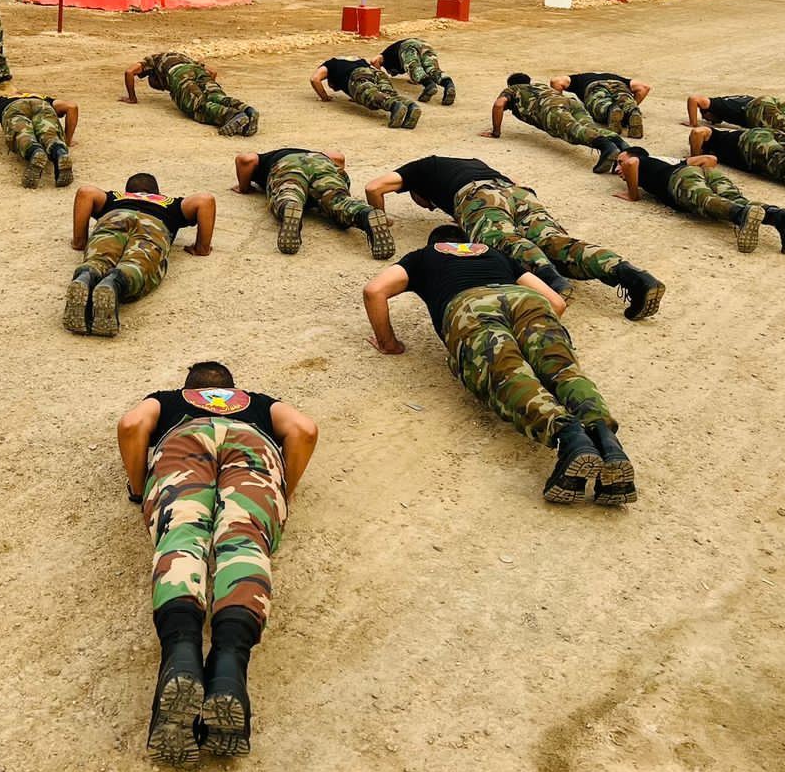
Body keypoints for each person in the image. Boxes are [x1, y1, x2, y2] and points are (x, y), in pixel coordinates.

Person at [117, 361, 319, 763]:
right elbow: (305, 430)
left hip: (183, 444)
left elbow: (130, 426)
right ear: (232, 389)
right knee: (244, 544)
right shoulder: (260, 403)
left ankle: (181, 655)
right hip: (253, 447)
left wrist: (139, 489)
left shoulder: (168, 400)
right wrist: (282, 492)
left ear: (189, 388)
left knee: (182, 539)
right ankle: (229, 665)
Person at [363, 226, 636, 506]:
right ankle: (607, 441)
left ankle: (569, 438)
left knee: (506, 375)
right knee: (565, 371)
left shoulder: (422, 257)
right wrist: (531, 341)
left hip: (471, 306)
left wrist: (389, 343)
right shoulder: (496, 254)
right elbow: (556, 302)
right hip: (527, 301)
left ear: (436, 243)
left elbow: (374, 291)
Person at [364, 154, 664, 320]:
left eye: (423, 203)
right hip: (518, 193)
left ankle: (550, 280)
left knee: (499, 242)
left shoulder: (421, 168)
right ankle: (632, 275)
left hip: (476, 195)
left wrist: (381, 218)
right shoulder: (474, 161)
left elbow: (374, 187)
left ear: (417, 190)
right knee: (555, 242)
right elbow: (519, 185)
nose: (429, 208)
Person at [65, 174, 216, 336]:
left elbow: (85, 192)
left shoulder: (116, 197)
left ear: (128, 191)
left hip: (115, 217)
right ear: (157, 193)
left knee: (99, 258)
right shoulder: (170, 203)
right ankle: (115, 282)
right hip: (153, 225)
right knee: (137, 264)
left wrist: (79, 241)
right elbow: (205, 200)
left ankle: (87, 274)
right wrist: (202, 247)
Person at [614, 146, 785, 253]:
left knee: (704, 199)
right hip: (704, 172)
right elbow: (709, 159)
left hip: (679, 179)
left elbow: (632, 163)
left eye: (619, 162)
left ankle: (740, 216)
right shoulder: (665, 161)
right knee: (737, 199)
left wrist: (633, 195)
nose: (617, 169)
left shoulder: (641, 161)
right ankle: (779, 216)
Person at [234, 147, 393, 259]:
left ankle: (291, 206)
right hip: (321, 162)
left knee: (288, 194)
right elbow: (337, 157)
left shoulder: (266, 158)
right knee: (339, 201)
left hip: (286, 164)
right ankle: (365, 213)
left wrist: (244, 188)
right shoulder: (314, 153)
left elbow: (246, 159)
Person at [484, 74, 626, 172]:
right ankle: (621, 145)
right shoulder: (540, 86)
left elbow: (498, 105)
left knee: (573, 131)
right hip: (570, 102)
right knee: (589, 127)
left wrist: (496, 132)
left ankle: (606, 147)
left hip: (549, 108)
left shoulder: (512, 89)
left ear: (510, 84)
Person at [121, 50, 258, 136]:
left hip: (178, 75)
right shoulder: (180, 56)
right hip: (198, 70)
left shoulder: (151, 60)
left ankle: (230, 114)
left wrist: (132, 98)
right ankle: (247, 110)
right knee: (217, 96)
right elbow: (212, 72)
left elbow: (129, 72)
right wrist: (206, 92)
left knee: (197, 107)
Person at [0, 91, 78, 188]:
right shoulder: (46, 99)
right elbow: (72, 107)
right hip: (42, 106)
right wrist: (67, 140)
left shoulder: (1, 100)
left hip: (14, 108)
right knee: (49, 134)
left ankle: (35, 151)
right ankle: (59, 152)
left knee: (23, 135)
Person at [308, 54, 421, 129]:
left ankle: (394, 105)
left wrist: (325, 97)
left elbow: (315, 79)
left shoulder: (330, 64)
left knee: (371, 96)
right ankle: (410, 105)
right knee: (389, 94)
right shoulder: (356, 59)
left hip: (357, 75)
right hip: (376, 72)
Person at [548, 71, 650, 138]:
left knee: (600, 106)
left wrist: (560, 101)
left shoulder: (579, 78)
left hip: (595, 88)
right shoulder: (617, 77)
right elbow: (644, 87)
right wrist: (635, 103)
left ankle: (610, 110)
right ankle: (632, 111)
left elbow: (556, 81)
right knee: (626, 100)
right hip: (619, 85)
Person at [372, 37, 455, 105]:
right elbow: (415, 71)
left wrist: (379, 78)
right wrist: (414, 79)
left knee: (414, 68)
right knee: (433, 70)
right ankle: (448, 84)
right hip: (425, 45)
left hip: (407, 46)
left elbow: (374, 61)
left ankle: (429, 85)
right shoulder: (396, 59)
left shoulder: (384, 56)